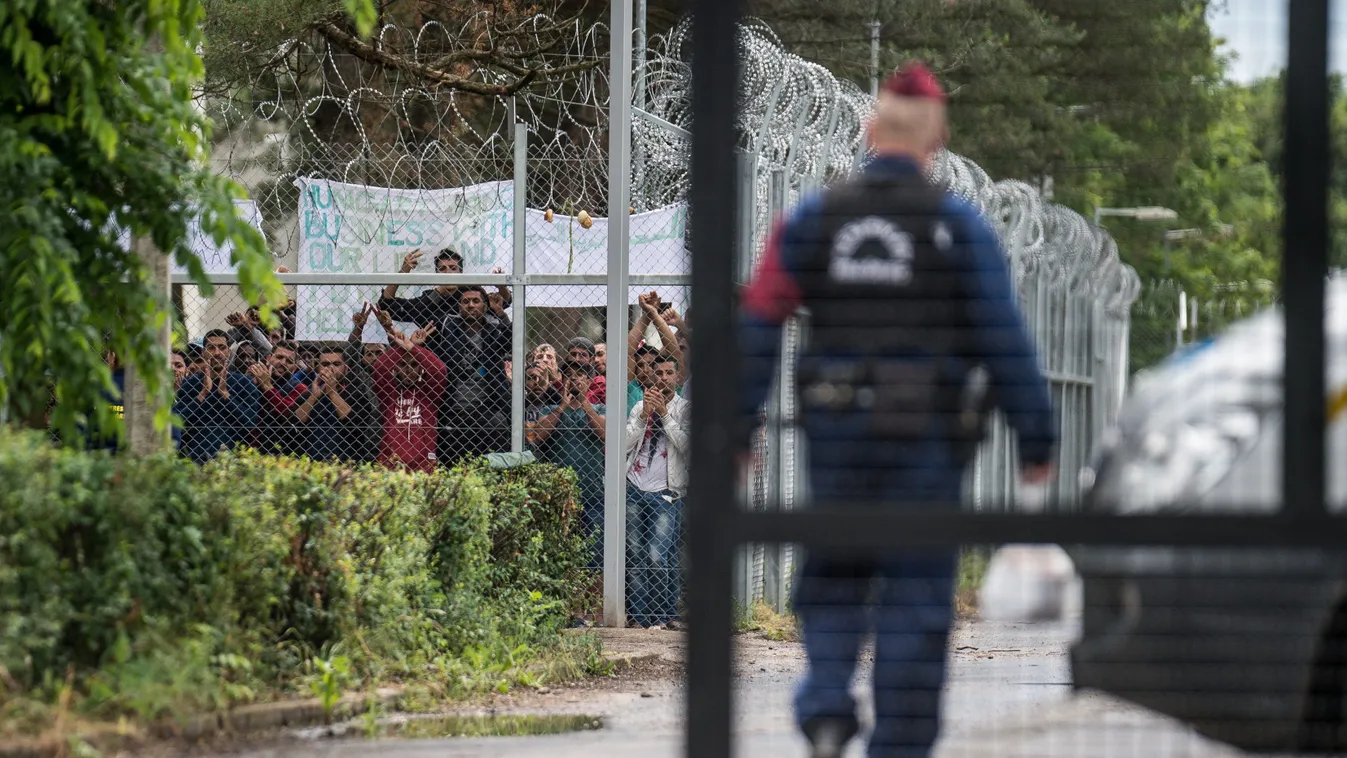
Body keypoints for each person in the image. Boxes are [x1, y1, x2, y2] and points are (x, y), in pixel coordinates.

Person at [738, 62, 1057, 758]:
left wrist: (736, 424)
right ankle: (899, 748)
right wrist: (1037, 438)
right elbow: (1004, 338)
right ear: (936, 140)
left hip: (836, 433)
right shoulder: (957, 228)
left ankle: (825, 702)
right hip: (925, 444)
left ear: (866, 128)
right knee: (914, 598)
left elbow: (759, 317)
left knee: (833, 573)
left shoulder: (814, 220)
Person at [386, 286, 511, 463]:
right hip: (452, 407)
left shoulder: (494, 328)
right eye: (465, 301)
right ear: (458, 306)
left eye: (476, 301)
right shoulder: (446, 327)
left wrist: (500, 313)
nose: (471, 305)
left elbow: (513, 340)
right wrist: (417, 344)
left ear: (484, 306)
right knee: (453, 459)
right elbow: (407, 313)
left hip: (488, 408)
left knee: (497, 433)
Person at [623, 352, 690, 629]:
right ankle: (639, 618)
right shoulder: (639, 406)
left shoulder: (685, 409)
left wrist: (664, 415)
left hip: (667, 491)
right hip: (634, 486)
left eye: (668, 373)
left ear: (676, 377)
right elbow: (624, 444)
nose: (663, 378)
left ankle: (662, 616)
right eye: (658, 373)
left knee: (657, 555)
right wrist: (644, 417)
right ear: (651, 375)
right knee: (636, 555)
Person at [531, 360, 607, 565]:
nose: (575, 378)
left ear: (590, 380)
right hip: (558, 495)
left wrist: (585, 403)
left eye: (580, 374)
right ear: (563, 381)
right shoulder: (551, 408)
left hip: (593, 495)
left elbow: (605, 434)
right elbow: (537, 435)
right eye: (570, 375)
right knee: (558, 556)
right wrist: (562, 407)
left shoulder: (600, 408)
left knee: (594, 558)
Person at [175, 329, 261, 464]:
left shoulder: (244, 382)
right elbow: (178, 421)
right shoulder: (190, 383)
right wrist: (202, 395)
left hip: (233, 459)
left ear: (229, 352)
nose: (217, 353)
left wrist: (226, 395)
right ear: (203, 353)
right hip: (195, 458)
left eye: (222, 348)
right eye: (211, 348)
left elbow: (251, 421)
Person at [371, 324, 446, 472]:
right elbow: (379, 368)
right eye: (402, 364)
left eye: (414, 364)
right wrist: (403, 347)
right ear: (395, 368)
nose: (408, 369)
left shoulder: (429, 393)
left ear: (421, 368)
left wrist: (413, 348)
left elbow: (439, 371)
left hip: (422, 463)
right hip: (391, 462)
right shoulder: (388, 392)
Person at [378, 247, 512, 327]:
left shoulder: (471, 296)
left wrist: (502, 287)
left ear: (461, 273)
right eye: (442, 269)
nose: (448, 272)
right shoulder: (428, 300)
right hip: (434, 368)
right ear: (436, 274)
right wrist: (403, 272)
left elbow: (504, 302)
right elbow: (386, 304)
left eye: (453, 268)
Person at [294, 347, 378, 463]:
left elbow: (356, 426)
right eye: (325, 364)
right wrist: (313, 397)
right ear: (317, 368)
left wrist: (332, 393)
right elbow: (295, 422)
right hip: (311, 463)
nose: (330, 368)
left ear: (346, 368)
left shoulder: (356, 395)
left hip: (347, 464)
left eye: (336, 364)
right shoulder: (308, 394)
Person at [246, 339, 308, 456]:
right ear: (269, 359)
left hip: (282, 450)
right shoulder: (254, 378)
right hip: (248, 445)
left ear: (294, 368)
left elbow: (288, 412)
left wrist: (267, 387)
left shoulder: (300, 388)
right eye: (279, 357)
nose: (283, 363)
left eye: (289, 361)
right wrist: (250, 384)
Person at [565, 337, 607, 404]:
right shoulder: (562, 377)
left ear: (591, 360)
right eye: (573, 354)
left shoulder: (599, 382)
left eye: (582, 355)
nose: (576, 359)